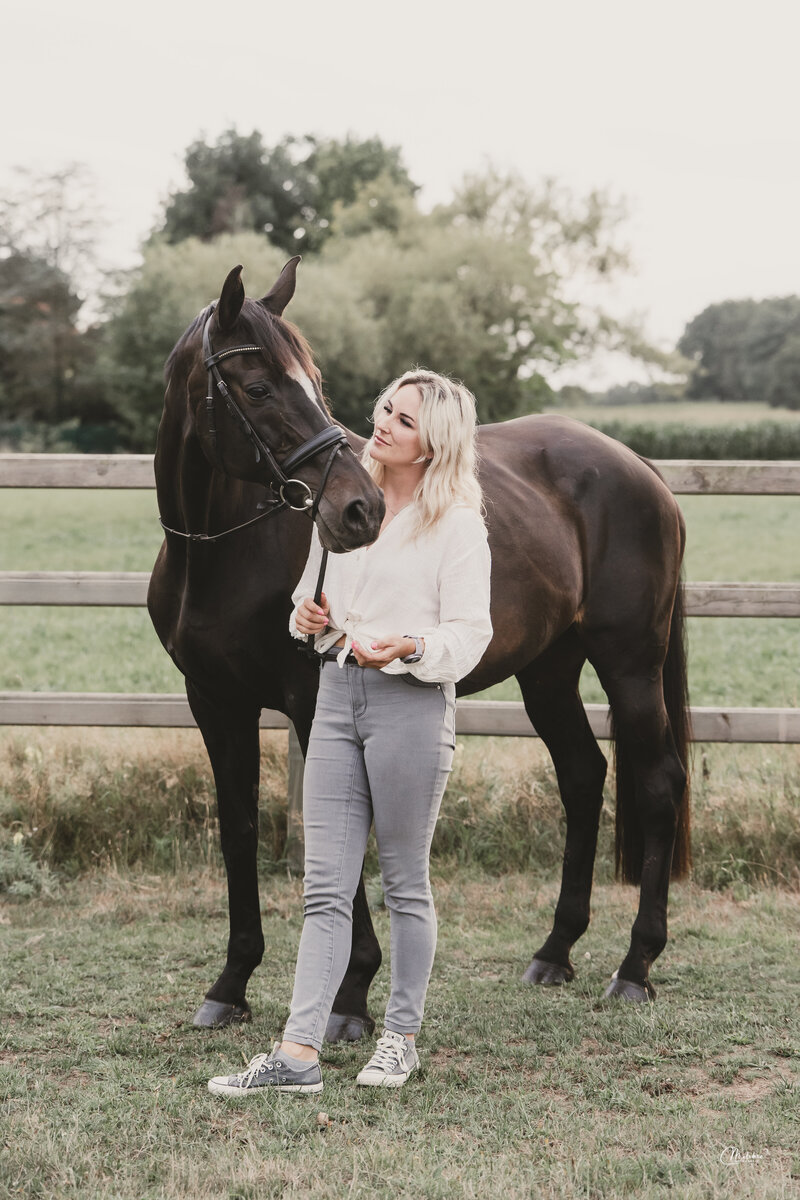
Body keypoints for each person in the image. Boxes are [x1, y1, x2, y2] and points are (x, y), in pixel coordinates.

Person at [208, 369, 492, 1096]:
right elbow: (314, 592)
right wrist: (306, 615)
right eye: (385, 411)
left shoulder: (456, 524)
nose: (383, 424)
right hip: (336, 696)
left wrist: (407, 647)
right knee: (325, 890)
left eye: (402, 419)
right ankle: (298, 1053)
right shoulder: (343, 505)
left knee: (404, 884)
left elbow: (469, 635)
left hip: (410, 707)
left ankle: (400, 1038)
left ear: (435, 442)